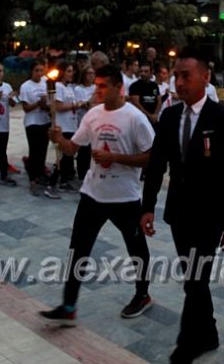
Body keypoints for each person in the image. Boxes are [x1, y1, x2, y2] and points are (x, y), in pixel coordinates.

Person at [141, 47, 224, 364]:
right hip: (179, 213)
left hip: (211, 215)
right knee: (193, 278)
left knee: (195, 279)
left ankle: (187, 343)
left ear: (204, 76)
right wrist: (147, 207)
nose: (179, 82)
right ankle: (210, 331)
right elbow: (157, 164)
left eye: (185, 75)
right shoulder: (171, 116)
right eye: (175, 76)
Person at [40, 64, 154, 325]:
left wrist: (114, 157)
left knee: (136, 247)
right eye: (96, 85)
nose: (97, 90)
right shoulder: (92, 115)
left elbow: (151, 158)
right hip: (92, 195)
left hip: (124, 197)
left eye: (103, 86)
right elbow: (71, 149)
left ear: (118, 87)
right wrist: (59, 140)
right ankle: (69, 305)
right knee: (78, 248)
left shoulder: (135, 118)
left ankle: (142, 294)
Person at [20, 59, 51, 196]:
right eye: (36, 70)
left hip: (44, 120)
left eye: (41, 70)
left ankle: (40, 173)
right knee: (35, 149)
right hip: (32, 122)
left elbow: (49, 102)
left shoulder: (46, 83)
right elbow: (26, 108)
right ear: (32, 71)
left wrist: (46, 104)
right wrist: (38, 103)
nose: (39, 73)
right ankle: (32, 177)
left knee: (43, 149)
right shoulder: (26, 86)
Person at [53, 62, 79, 193]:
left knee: (69, 154)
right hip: (63, 125)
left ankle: (66, 177)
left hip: (71, 124)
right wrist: (75, 106)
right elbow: (58, 106)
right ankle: (60, 180)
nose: (71, 74)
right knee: (64, 155)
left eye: (72, 71)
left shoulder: (69, 87)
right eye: (68, 71)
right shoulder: (58, 86)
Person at [74, 66, 96, 181]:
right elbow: (83, 104)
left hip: (95, 122)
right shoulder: (79, 89)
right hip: (82, 121)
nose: (91, 76)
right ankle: (81, 174)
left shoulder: (96, 87)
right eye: (89, 73)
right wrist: (91, 101)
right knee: (83, 150)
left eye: (93, 73)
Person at [129, 61, 161, 127]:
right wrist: (149, 116)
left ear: (151, 72)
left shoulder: (154, 85)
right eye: (141, 71)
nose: (143, 73)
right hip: (140, 119)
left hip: (154, 119)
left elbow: (159, 100)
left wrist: (155, 115)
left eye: (146, 71)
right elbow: (136, 104)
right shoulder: (134, 86)